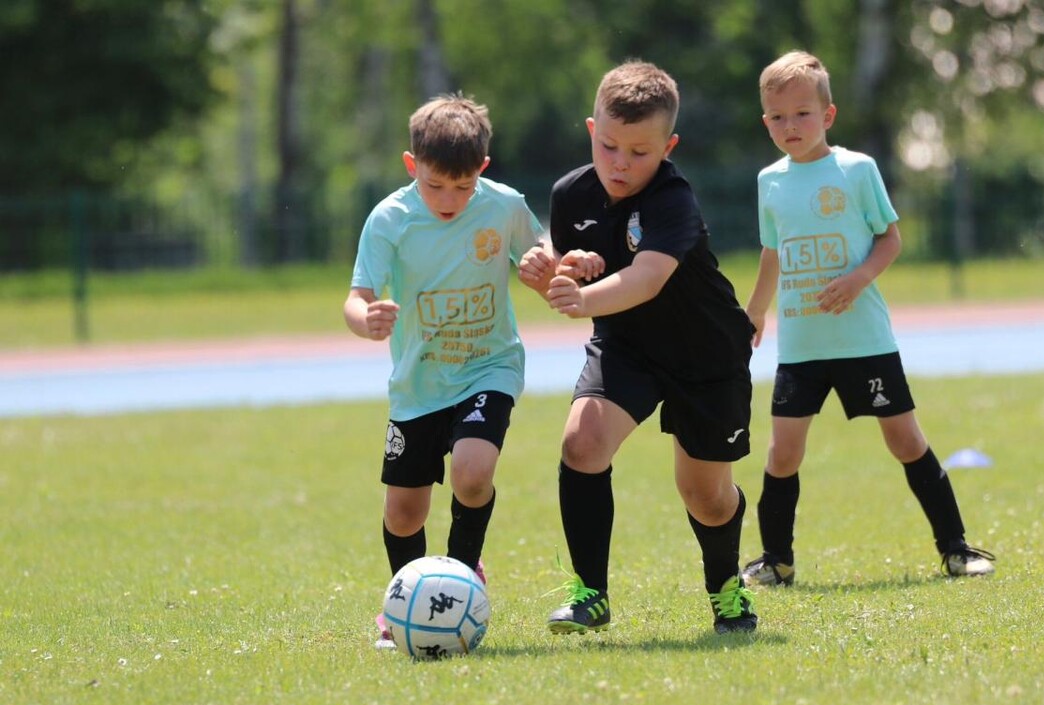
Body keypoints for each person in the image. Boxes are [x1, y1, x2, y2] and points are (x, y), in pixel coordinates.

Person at [517, 60, 758, 635]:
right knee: (582, 444)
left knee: (705, 496)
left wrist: (582, 297)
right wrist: (550, 270)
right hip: (626, 345)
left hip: (706, 355)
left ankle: (727, 590)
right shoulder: (570, 194)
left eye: (639, 152)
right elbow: (571, 271)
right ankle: (590, 595)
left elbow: (646, 278)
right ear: (591, 130)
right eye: (608, 146)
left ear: (668, 147)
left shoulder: (674, 200)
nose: (620, 163)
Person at [739, 50, 996, 587]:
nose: (790, 125)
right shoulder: (769, 181)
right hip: (802, 347)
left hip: (864, 341)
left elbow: (890, 238)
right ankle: (777, 561)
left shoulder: (857, 170)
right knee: (782, 454)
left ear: (827, 115)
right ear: (765, 122)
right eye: (778, 117)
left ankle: (955, 549)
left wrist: (857, 279)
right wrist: (756, 309)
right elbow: (772, 252)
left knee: (905, 441)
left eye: (802, 114)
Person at [344, 94, 544, 649]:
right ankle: (403, 599)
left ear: (483, 168)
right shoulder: (389, 218)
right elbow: (357, 297)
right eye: (435, 186)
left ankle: (461, 574)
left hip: (489, 367)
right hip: (419, 384)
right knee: (404, 514)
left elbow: (541, 254)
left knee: (473, 473)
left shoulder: (504, 205)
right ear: (413, 166)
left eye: (463, 186)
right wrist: (367, 320)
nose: (450, 200)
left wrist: (545, 262)